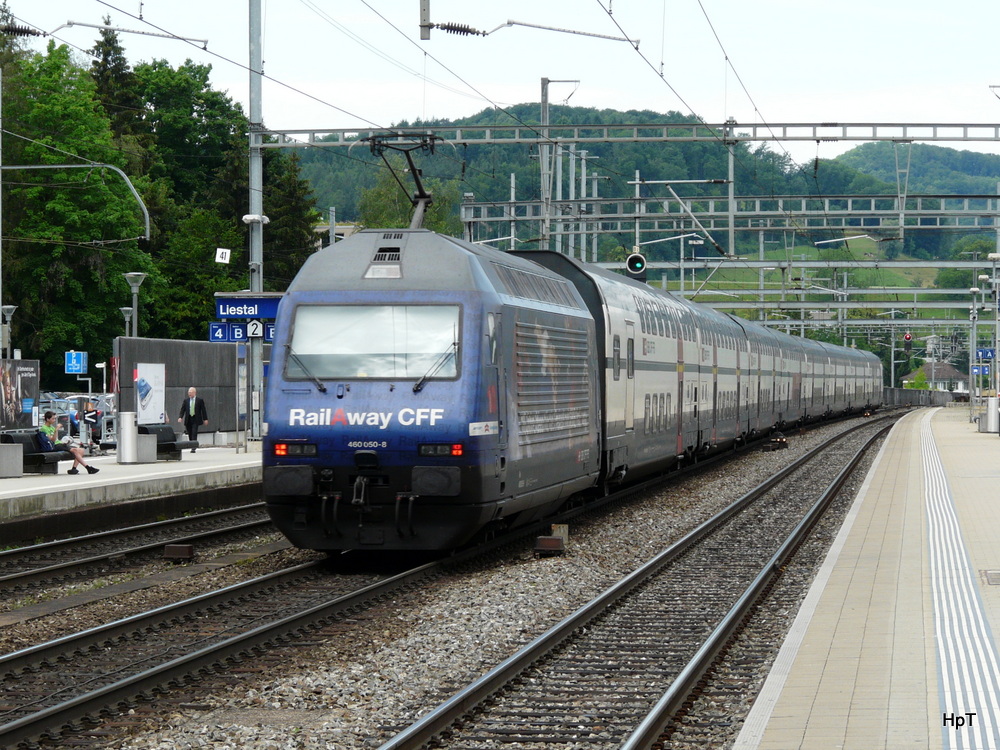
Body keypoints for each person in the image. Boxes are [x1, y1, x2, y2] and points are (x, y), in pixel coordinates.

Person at [39, 410, 99, 475]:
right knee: (75, 450)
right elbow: (52, 440)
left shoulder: (51, 427)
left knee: (81, 450)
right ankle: (88, 468)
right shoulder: (44, 428)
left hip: (59, 443)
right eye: (53, 418)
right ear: (47, 419)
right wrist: (56, 430)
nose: (54, 420)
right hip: (54, 445)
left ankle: (74, 469)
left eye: (55, 418)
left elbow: (56, 438)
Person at [177, 386, 208, 452]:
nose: (189, 394)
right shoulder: (186, 401)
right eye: (188, 392)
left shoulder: (199, 400)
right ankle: (192, 444)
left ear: (194, 393)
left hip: (196, 419)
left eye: (191, 392)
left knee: (194, 432)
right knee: (190, 432)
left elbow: (203, 410)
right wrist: (180, 417)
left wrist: (205, 419)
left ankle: (193, 447)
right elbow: (183, 410)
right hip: (188, 419)